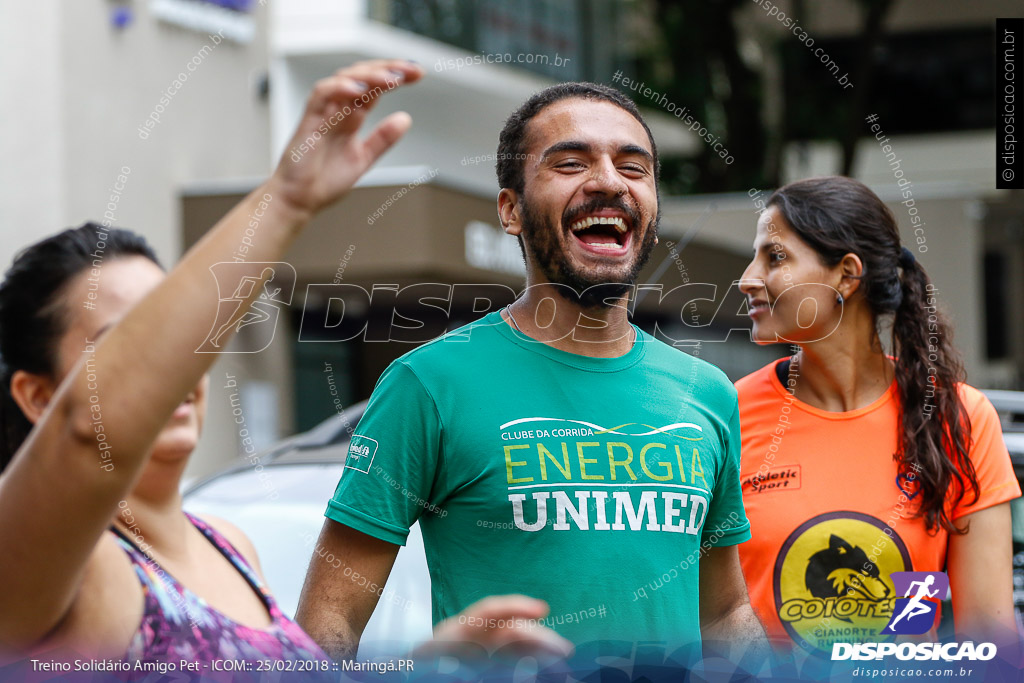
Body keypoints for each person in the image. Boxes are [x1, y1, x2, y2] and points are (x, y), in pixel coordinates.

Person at [296, 81, 768, 668]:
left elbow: (723, 613)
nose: (608, 181)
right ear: (511, 209)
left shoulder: (706, 394)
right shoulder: (428, 385)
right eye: (570, 163)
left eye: (633, 167)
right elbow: (325, 628)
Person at [0, 58, 423, 665]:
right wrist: (286, 201)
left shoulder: (232, 547)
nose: (174, 368)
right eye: (131, 345)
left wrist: (445, 660)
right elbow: (89, 431)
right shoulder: (41, 561)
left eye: (178, 338)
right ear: (39, 396)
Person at [735, 176, 1021, 657]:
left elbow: (989, 644)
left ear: (846, 275)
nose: (747, 278)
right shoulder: (727, 416)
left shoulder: (958, 417)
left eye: (775, 257)